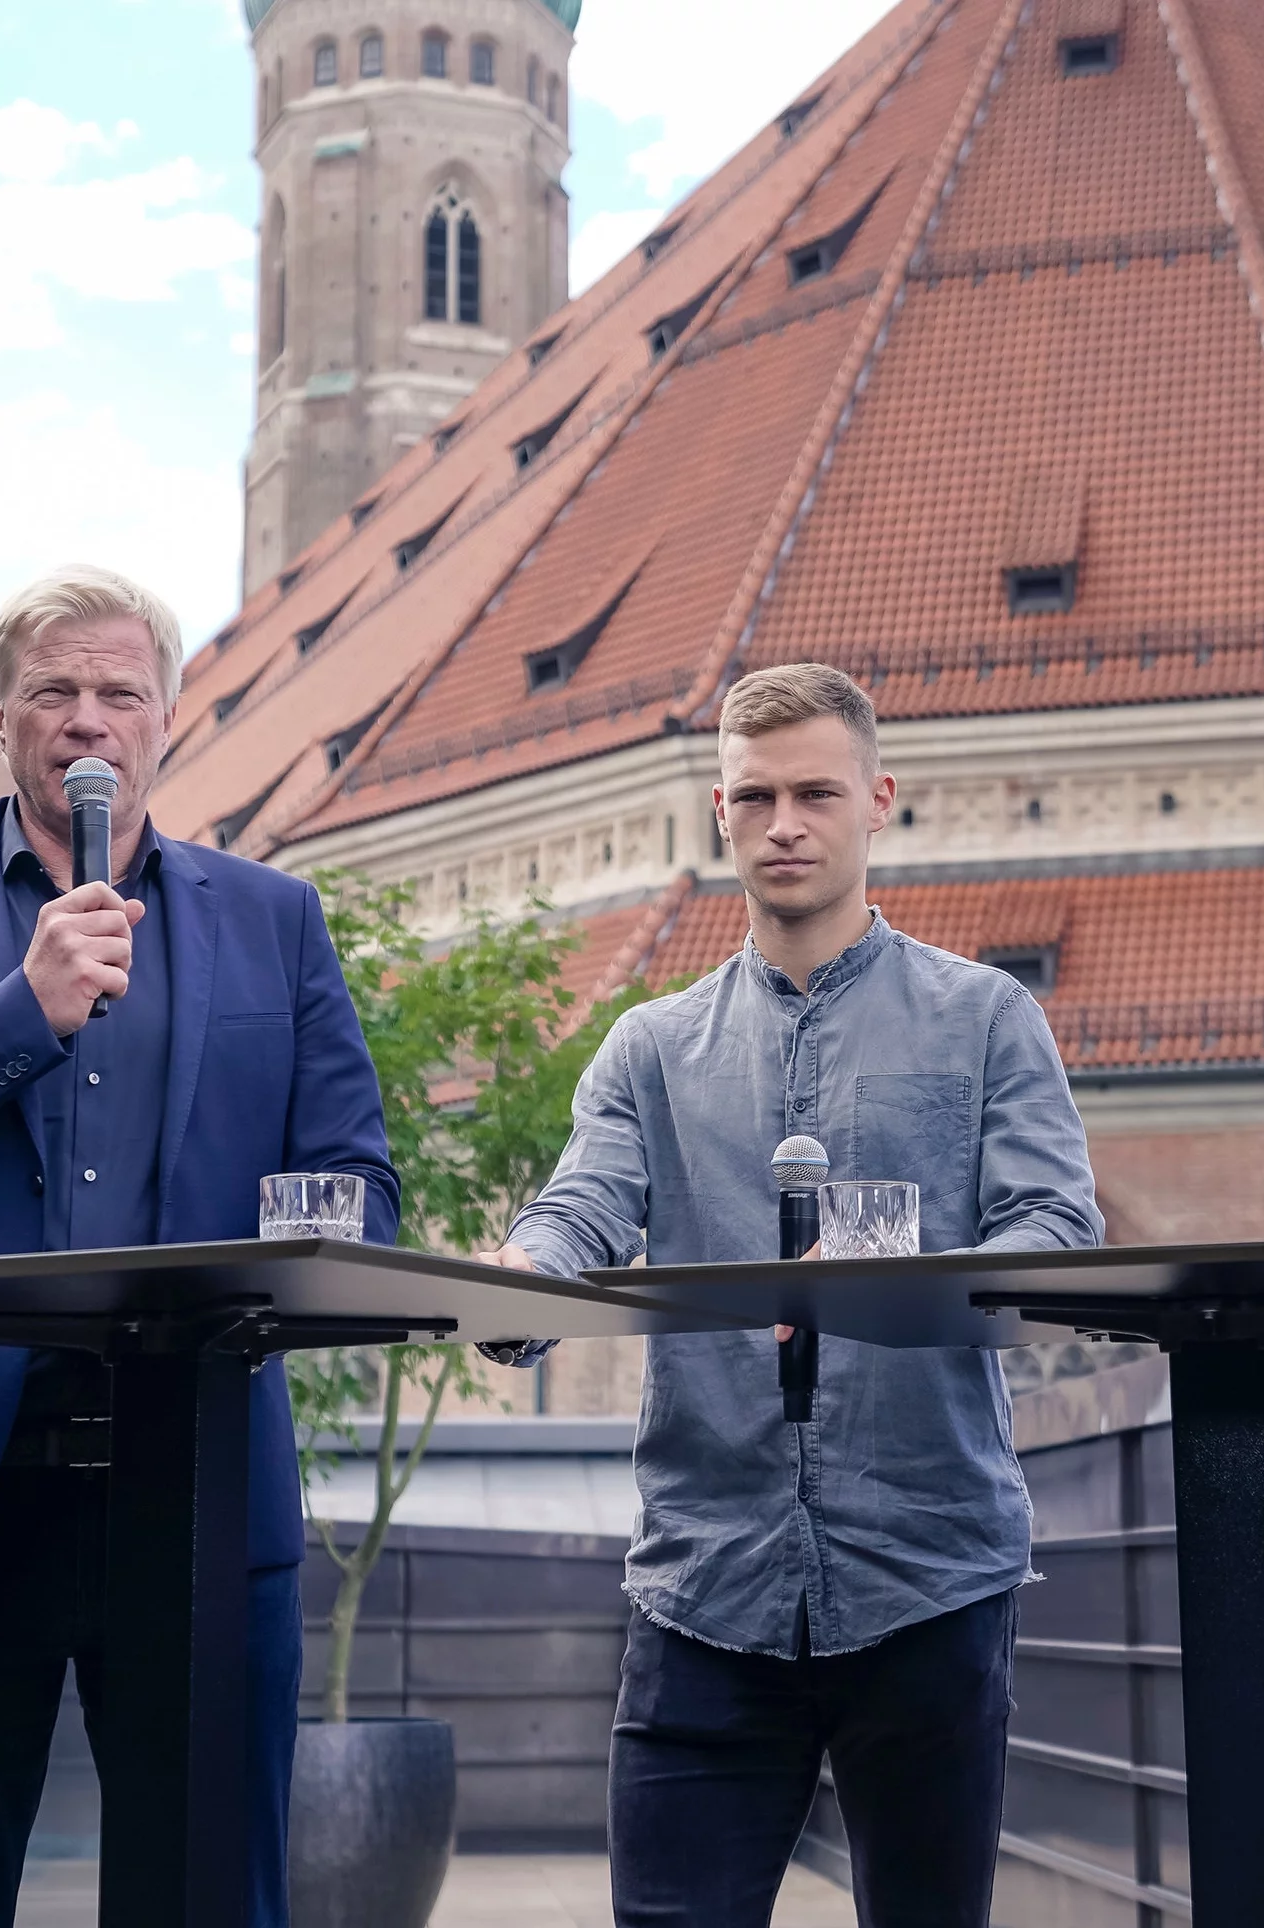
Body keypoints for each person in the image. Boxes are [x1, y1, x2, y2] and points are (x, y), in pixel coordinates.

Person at [0, 564, 397, 1928]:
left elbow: (355, 1193)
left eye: (118, 692)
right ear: (0, 719)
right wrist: (11, 1021)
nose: (85, 721)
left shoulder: (274, 923)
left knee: (211, 1904)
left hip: (201, 1496)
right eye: (53, 691)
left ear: (167, 720)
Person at [483, 662, 1101, 1928]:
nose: (784, 822)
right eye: (755, 795)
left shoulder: (986, 1019)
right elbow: (582, 1207)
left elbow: (1055, 1232)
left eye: (815, 791)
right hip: (706, 1584)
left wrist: (900, 1281)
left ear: (879, 801)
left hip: (930, 1573)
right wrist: (526, 1273)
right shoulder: (649, 1046)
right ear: (720, 809)